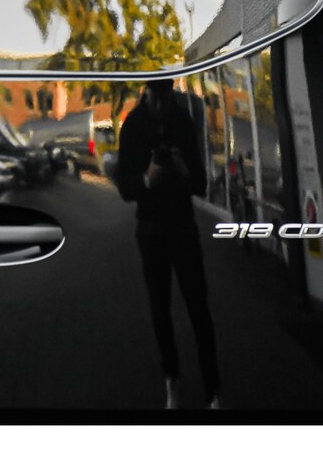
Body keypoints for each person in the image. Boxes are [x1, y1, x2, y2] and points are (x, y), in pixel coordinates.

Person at [115, 79, 220, 409]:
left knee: (198, 307)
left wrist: (184, 171)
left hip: (181, 225)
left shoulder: (182, 120)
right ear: (146, 93)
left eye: (166, 97)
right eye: (155, 98)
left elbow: (200, 183)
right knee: (160, 308)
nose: (161, 105)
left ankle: (213, 391)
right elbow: (125, 187)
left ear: (171, 92)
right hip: (151, 228)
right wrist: (148, 179)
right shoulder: (133, 124)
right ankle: (171, 379)